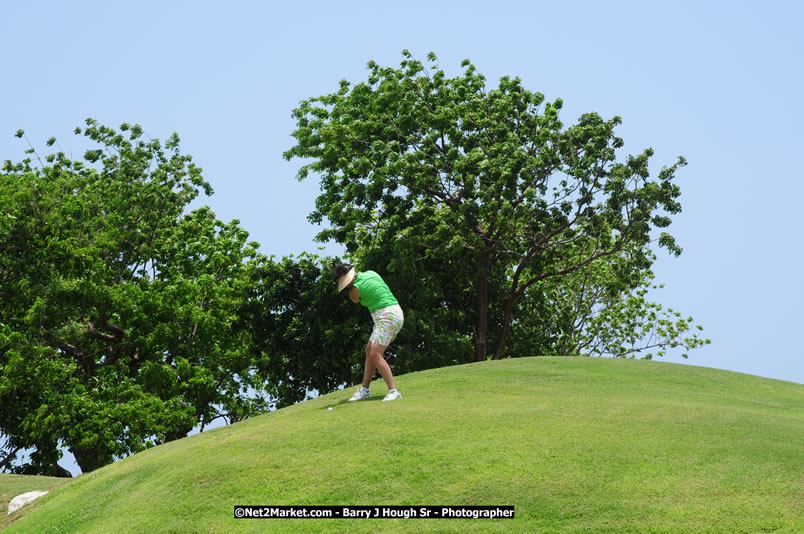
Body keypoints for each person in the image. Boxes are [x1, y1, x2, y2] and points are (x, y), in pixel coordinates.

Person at [332, 263, 404, 402]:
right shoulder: (371, 273)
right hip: (394, 312)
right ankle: (365, 390)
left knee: (375, 353)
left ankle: (393, 391)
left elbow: (355, 300)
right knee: (369, 350)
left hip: (387, 316)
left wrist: (351, 288)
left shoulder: (354, 290)